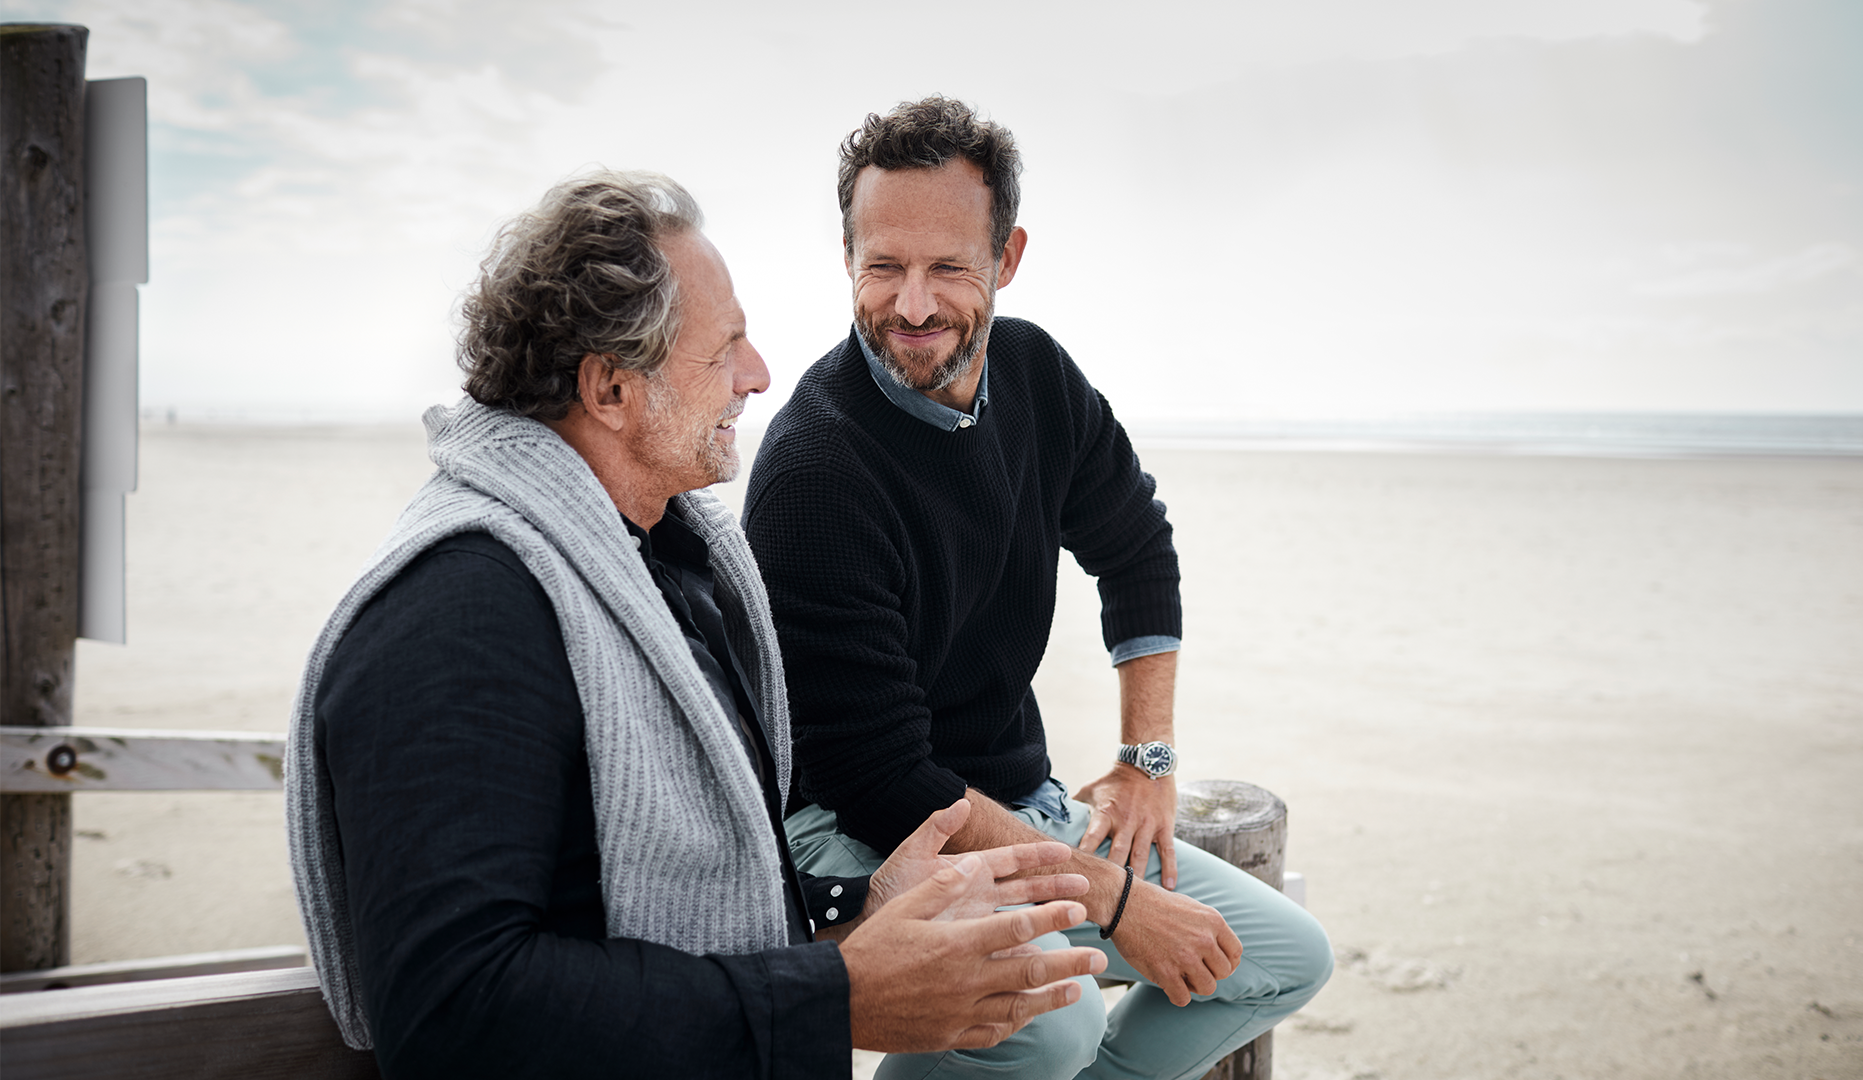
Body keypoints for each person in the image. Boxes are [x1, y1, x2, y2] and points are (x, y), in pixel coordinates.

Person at [283, 170, 1108, 1080]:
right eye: (725, 350)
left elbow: (661, 897)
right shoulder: (461, 619)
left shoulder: (666, 565)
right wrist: (834, 996)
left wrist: (854, 908)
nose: (758, 376)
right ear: (610, 390)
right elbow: (452, 1011)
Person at [743, 97, 1335, 1080]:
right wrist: (1111, 900)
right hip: (862, 826)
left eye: (949, 268)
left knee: (1282, 959)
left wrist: (1146, 760)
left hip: (1022, 803)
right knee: (1046, 1019)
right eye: (883, 266)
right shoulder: (815, 473)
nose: (915, 306)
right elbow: (890, 781)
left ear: (1007, 258)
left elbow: (1137, 547)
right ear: (847, 256)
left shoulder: (1036, 374)